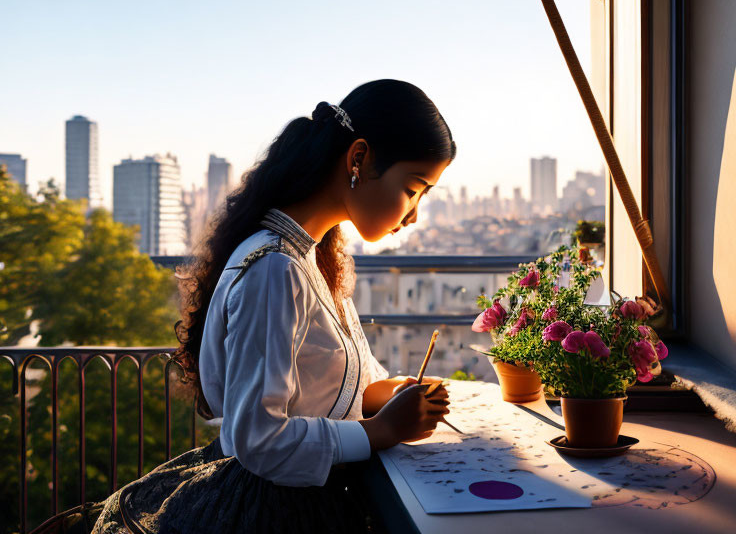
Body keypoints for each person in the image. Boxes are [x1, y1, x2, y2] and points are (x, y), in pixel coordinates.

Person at [79, 79, 456, 534]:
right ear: (358, 159)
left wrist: (390, 394)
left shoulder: (311, 257)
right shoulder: (276, 269)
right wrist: (382, 430)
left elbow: (318, 391)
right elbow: (258, 439)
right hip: (278, 512)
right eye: (414, 188)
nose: (414, 214)